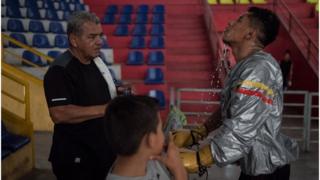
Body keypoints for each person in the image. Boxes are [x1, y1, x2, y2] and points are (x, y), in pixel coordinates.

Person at [172, 7, 299, 180]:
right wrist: (200, 132)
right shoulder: (246, 66)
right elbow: (233, 108)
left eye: (239, 21)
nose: (231, 23)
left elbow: (242, 127)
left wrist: (201, 158)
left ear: (250, 34)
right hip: (254, 167)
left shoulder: (259, 69)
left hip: (266, 170)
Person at [43, 11, 128, 180]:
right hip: (75, 158)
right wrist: (107, 108)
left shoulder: (96, 61)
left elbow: (93, 92)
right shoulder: (60, 71)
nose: (99, 42)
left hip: (100, 152)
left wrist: (117, 91)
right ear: (74, 40)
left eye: (100, 36)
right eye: (92, 37)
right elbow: (59, 113)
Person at [104, 95, 187, 180]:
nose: (163, 134)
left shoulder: (140, 155)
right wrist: (178, 168)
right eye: (161, 129)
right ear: (151, 140)